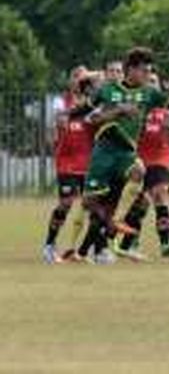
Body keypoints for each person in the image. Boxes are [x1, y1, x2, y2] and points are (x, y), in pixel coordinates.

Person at [72, 47, 169, 264]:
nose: (146, 75)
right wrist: (117, 111)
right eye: (144, 70)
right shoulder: (107, 90)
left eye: (150, 71)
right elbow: (88, 117)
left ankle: (115, 229)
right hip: (104, 153)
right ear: (131, 70)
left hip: (126, 154)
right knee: (92, 202)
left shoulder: (149, 93)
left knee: (138, 172)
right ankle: (89, 249)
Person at [114, 73, 169, 261]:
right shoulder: (138, 109)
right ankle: (127, 244)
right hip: (139, 161)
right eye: (149, 83)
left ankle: (165, 244)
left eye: (154, 83)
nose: (152, 86)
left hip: (160, 160)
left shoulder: (168, 112)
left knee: (160, 195)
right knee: (140, 204)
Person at [42, 66, 96, 263]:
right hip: (67, 161)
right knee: (66, 203)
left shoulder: (93, 103)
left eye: (83, 77)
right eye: (75, 76)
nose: (79, 80)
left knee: (93, 205)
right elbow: (57, 123)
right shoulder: (61, 102)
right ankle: (49, 245)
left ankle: (90, 249)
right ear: (71, 81)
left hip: (89, 162)